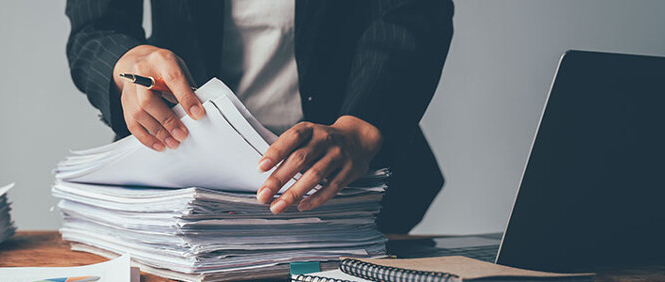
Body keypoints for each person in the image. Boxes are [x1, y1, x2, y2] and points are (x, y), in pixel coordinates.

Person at [65, 0, 453, 233]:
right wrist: (128, 62)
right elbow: (96, 25)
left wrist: (362, 125)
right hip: (182, 185)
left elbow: (410, 13)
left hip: (347, 183)